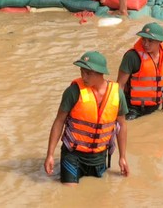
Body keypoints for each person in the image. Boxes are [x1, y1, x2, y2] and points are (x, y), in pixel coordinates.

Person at [44, 51, 129, 185]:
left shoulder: (117, 94)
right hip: (73, 154)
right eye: (82, 71)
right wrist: (50, 154)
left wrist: (122, 157)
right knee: (69, 194)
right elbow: (59, 121)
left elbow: (122, 125)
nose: (84, 76)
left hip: (99, 156)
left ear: (100, 73)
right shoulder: (73, 92)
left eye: (88, 73)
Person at [117, 22, 163, 120]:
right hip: (132, 109)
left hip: (155, 107)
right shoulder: (132, 57)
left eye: (150, 41)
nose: (145, 44)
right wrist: (118, 113)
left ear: (159, 41)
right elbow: (120, 85)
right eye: (143, 39)